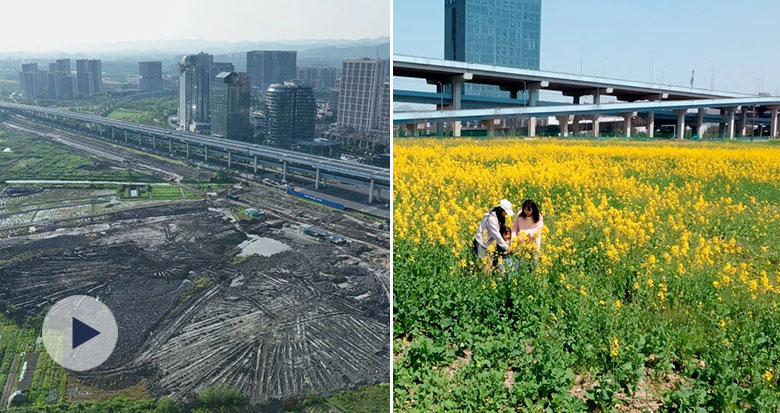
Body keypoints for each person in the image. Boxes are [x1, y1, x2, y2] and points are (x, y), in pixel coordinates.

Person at [473, 200, 514, 270]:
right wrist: (506, 247)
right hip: (481, 243)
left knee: (489, 265)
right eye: (505, 212)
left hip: (488, 244)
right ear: (502, 210)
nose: (506, 214)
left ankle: (485, 279)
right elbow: (496, 235)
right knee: (484, 266)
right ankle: (481, 279)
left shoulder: (499, 217)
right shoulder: (492, 219)